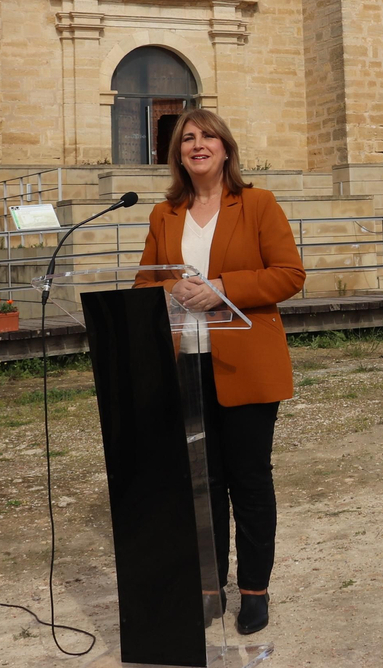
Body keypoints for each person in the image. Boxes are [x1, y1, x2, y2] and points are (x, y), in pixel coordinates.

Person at [136, 109, 306, 636]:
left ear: (225, 148)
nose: (197, 144)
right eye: (187, 138)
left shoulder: (258, 204)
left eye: (207, 136)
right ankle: (210, 586)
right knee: (201, 483)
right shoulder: (164, 214)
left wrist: (223, 288)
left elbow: (289, 274)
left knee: (248, 480)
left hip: (246, 364)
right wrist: (174, 289)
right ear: (177, 154)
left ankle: (254, 590)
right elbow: (144, 284)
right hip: (185, 365)